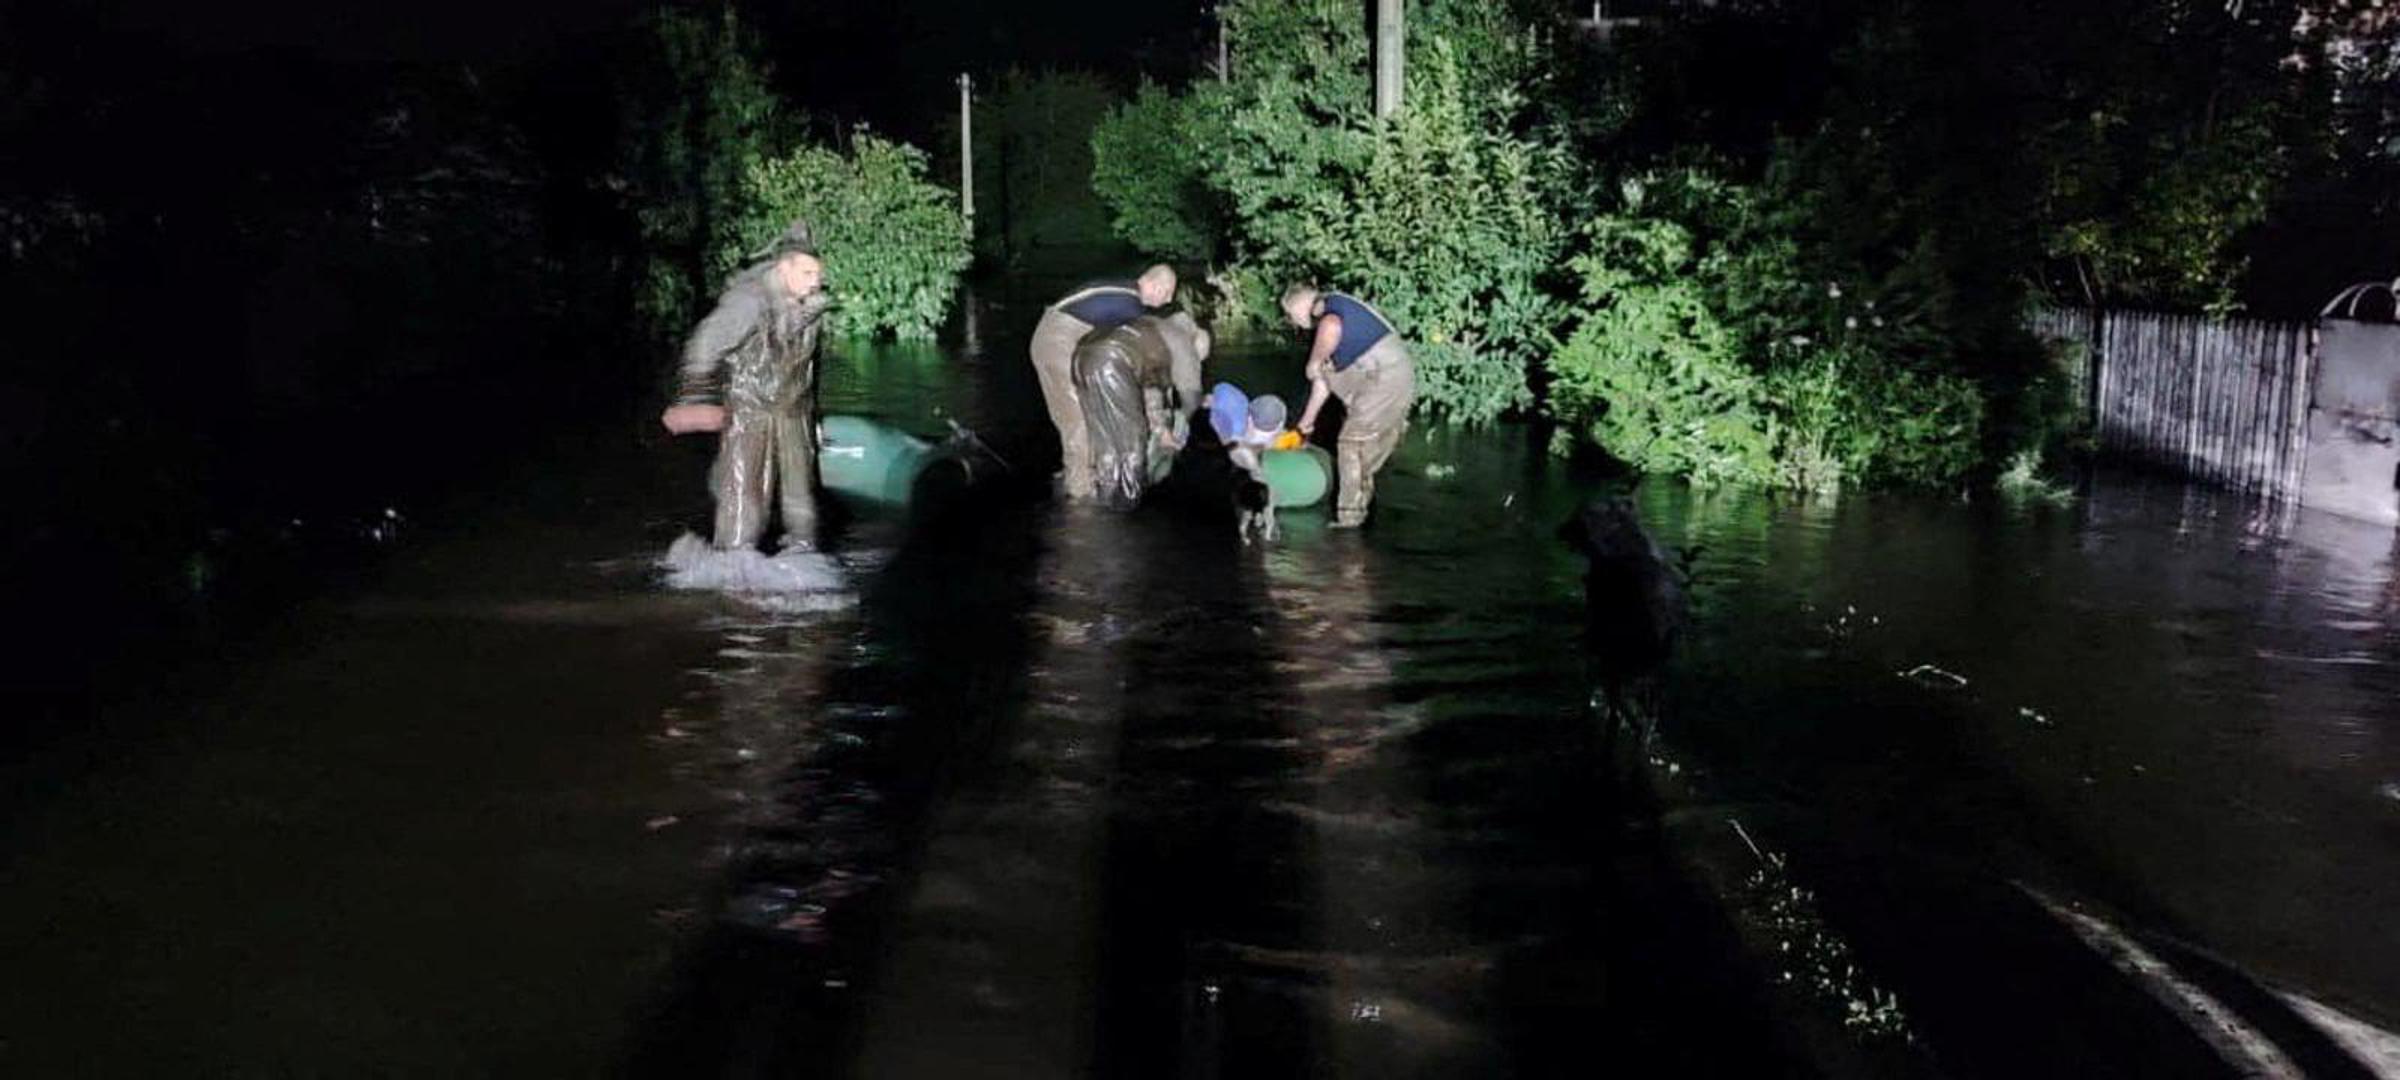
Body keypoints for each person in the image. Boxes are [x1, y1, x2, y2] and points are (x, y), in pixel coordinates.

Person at [660, 221, 833, 553]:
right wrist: (696, 397)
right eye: (808, 273)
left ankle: (803, 552)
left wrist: (815, 417)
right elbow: (704, 345)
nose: (817, 282)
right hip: (750, 410)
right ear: (785, 268)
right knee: (744, 497)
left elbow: (812, 368)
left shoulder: (813, 310)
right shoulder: (749, 302)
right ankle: (735, 561)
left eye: (818, 274)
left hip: (794, 412)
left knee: (802, 501)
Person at [1031, 266, 1178, 498]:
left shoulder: (1124, 292)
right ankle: (1080, 495)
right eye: (1168, 291)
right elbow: (1144, 371)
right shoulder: (1130, 305)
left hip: (1064, 336)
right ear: (1155, 285)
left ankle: (1078, 473)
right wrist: (1158, 425)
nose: (1170, 299)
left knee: (1085, 414)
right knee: (1076, 419)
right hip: (1055, 341)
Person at [1283, 283, 1416, 528]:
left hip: (1385, 377)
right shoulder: (1338, 309)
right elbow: (1323, 383)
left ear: (1298, 305)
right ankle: (1364, 511)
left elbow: (1331, 325)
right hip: (1389, 378)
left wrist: (1314, 360)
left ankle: (1349, 521)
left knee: (1351, 444)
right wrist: (1305, 425)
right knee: (1364, 456)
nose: (1292, 322)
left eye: (1290, 316)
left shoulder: (1326, 309)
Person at [1071, 309, 1210, 508]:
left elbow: (1149, 391)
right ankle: (1129, 504)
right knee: (1133, 441)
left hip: (1082, 356)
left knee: (1105, 441)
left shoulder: (1153, 331)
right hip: (1112, 360)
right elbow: (1191, 399)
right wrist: (1187, 431)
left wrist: (1162, 430)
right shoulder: (1181, 340)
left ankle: (1105, 501)